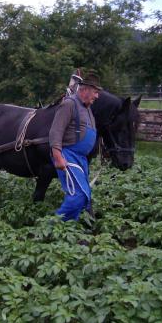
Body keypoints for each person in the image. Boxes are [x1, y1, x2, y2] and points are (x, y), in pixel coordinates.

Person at [49, 69, 102, 221]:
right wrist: (58, 156)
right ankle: (52, 229)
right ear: (85, 90)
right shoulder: (69, 104)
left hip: (81, 159)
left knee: (85, 196)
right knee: (78, 195)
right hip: (68, 155)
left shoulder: (88, 109)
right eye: (95, 92)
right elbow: (55, 132)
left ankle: (72, 230)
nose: (97, 96)